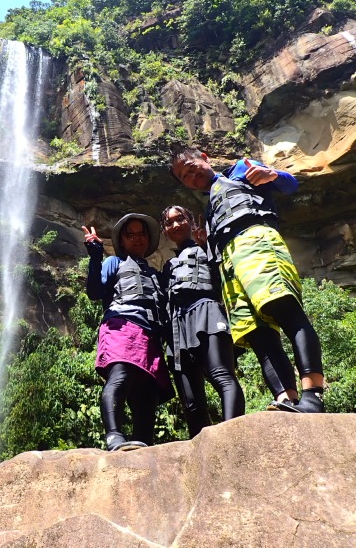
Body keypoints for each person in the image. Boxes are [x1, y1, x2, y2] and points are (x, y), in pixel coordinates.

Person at [170, 148, 326, 413]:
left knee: (283, 309)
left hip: (255, 241)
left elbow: (290, 184)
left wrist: (272, 173)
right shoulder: (209, 210)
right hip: (228, 264)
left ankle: (313, 395)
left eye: (191, 165)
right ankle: (286, 398)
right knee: (258, 334)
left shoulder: (240, 170)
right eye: (184, 176)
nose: (191, 175)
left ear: (205, 158)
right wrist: (206, 244)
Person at [82, 214, 175, 451]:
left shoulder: (155, 274)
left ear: (148, 238)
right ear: (122, 241)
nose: (136, 238)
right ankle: (114, 435)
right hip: (122, 325)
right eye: (130, 234)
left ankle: (143, 444)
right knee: (121, 375)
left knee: (148, 392)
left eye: (141, 234)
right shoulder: (114, 263)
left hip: (151, 335)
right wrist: (95, 255)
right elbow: (94, 292)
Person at [159, 205, 245, 436]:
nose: (175, 225)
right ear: (164, 231)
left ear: (191, 222)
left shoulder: (207, 249)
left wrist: (207, 244)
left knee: (221, 375)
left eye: (180, 219)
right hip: (178, 327)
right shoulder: (168, 266)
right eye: (169, 223)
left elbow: (225, 277)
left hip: (207, 312)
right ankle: (201, 449)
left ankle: (232, 434)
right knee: (190, 399)